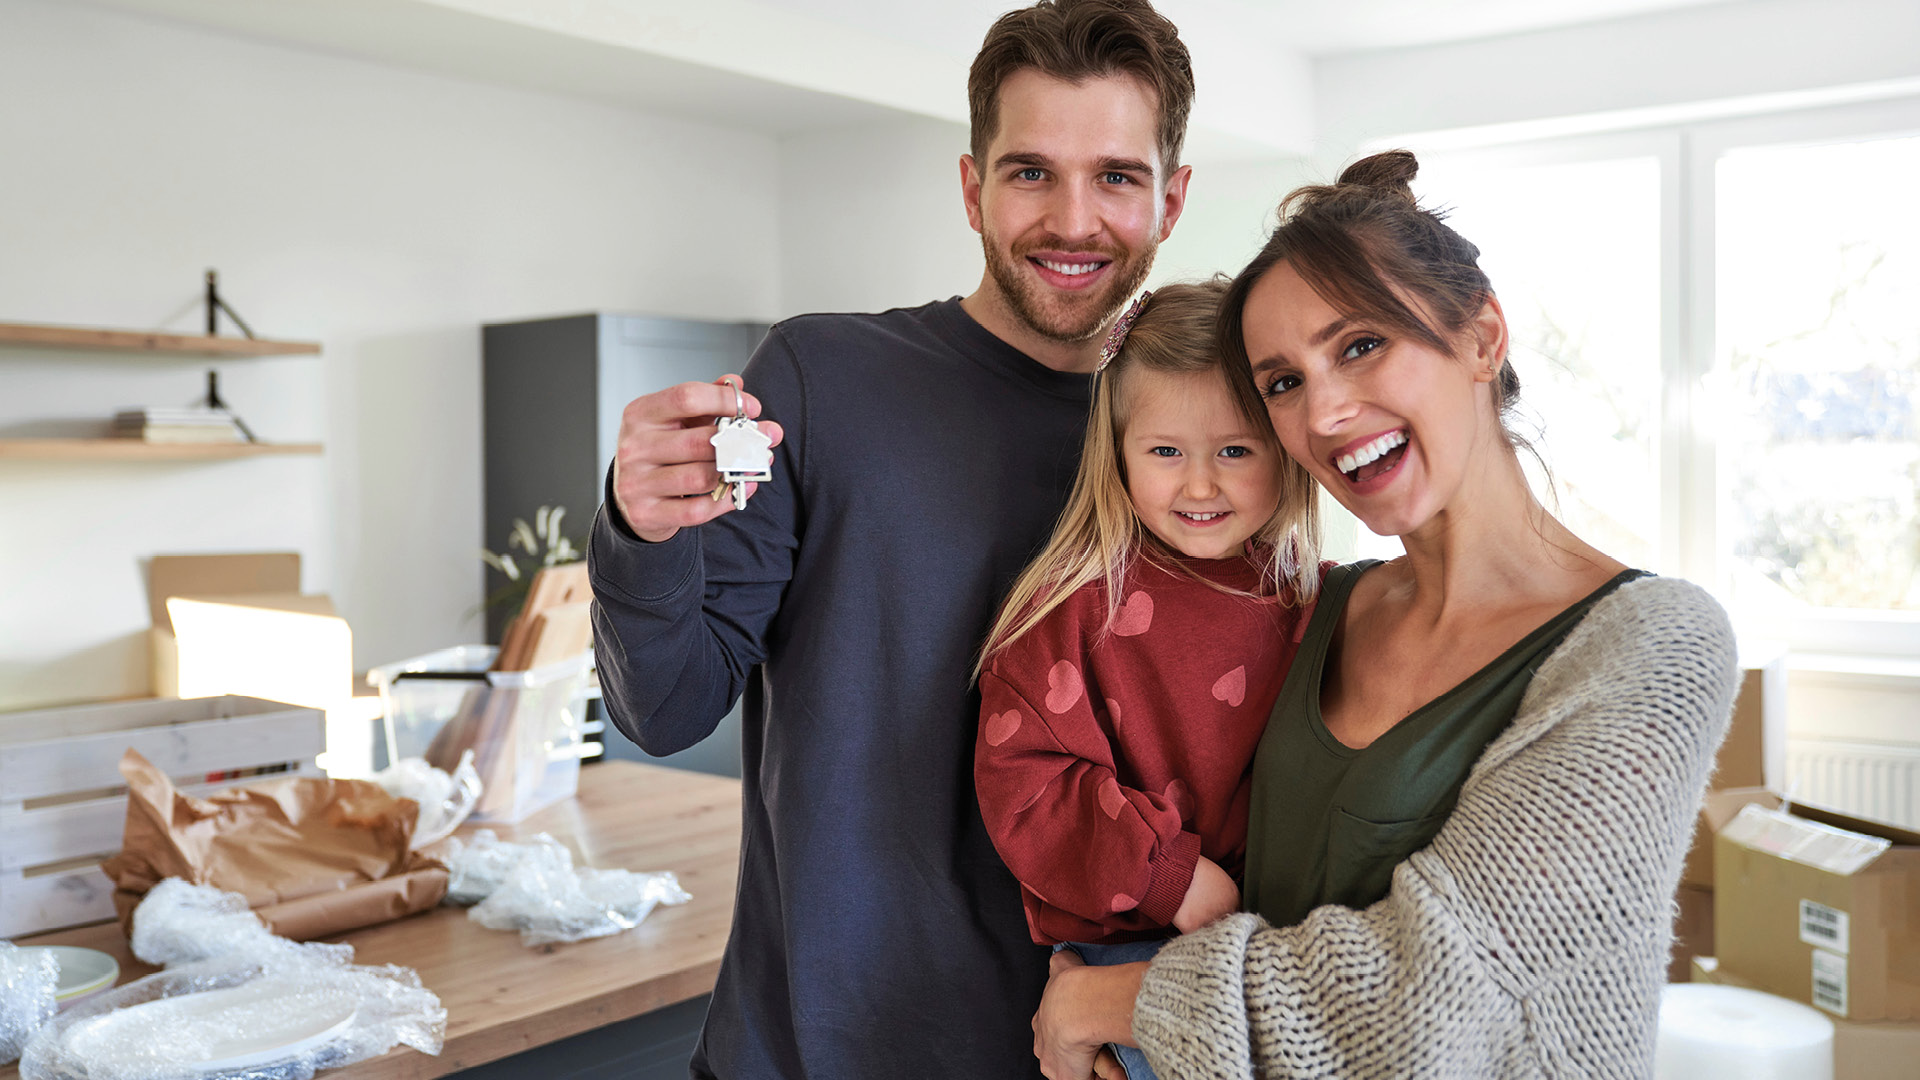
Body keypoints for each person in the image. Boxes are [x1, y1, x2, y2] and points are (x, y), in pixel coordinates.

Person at [1029, 150, 1739, 1079]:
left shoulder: (1650, 645)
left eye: (1360, 345)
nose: (1323, 411)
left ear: (1484, 336)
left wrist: (1106, 1000)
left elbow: (1428, 1002)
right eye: (1282, 382)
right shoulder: (1315, 607)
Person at [587, 2, 1197, 1075]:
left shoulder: (1202, 451)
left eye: (1116, 176)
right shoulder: (824, 381)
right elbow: (667, 705)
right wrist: (643, 528)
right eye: (1029, 173)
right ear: (972, 189)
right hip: (804, 1052)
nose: (1072, 219)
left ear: (1171, 197)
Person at [973, 280, 1322, 1080]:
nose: (1201, 486)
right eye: (1166, 452)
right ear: (1119, 451)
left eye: (1235, 450)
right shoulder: (1075, 603)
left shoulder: (1318, 600)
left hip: (1272, 956)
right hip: (1120, 943)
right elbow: (1022, 785)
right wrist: (1165, 874)